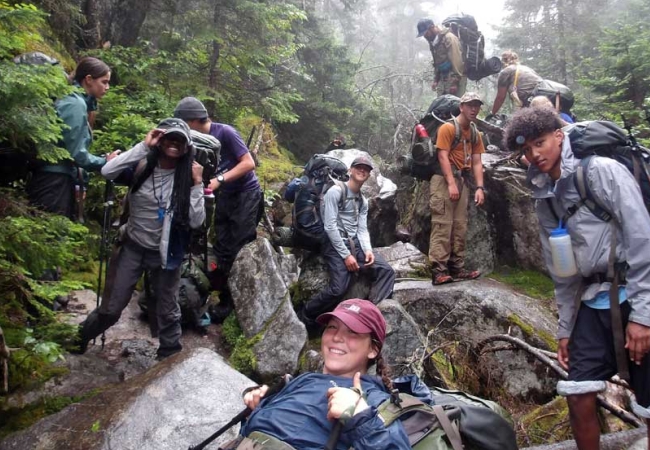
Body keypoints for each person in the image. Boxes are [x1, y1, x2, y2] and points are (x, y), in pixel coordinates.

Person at [504, 107, 650, 450]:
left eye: (540, 143)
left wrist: (642, 318)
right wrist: (565, 328)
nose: (534, 154)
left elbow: (644, 240)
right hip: (591, 303)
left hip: (637, 294)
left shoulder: (602, 171)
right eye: (526, 150)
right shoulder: (544, 196)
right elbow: (561, 270)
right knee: (579, 396)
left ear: (559, 135)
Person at [78, 118, 205, 359]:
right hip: (133, 247)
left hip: (166, 254)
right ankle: (79, 337)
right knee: (112, 307)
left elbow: (197, 220)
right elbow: (107, 171)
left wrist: (197, 183)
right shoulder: (142, 166)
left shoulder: (188, 176)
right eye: (169, 138)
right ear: (160, 139)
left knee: (167, 308)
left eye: (180, 140)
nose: (174, 144)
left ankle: (170, 356)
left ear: (187, 146)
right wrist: (143, 146)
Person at [233, 299, 411, 450]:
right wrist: (256, 410)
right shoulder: (304, 379)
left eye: (353, 332)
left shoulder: (373, 401)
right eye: (332, 327)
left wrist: (361, 418)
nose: (337, 337)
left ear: (373, 350)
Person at [173, 97, 262, 320]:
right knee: (221, 247)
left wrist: (220, 179)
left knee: (238, 249)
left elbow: (248, 163)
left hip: (245, 195)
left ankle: (232, 305)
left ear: (193, 120)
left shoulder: (225, 132)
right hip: (222, 196)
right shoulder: (193, 139)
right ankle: (220, 294)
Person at [298, 155, 395, 325]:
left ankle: (369, 312)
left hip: (355, 243)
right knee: (338, 288)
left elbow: (362, 229)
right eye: (359, 167)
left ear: (368, 175)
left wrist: (368, 250)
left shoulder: (363, 201)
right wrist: (346, 256)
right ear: (350, 170)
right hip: (333, 244)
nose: (362, 170)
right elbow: (330, 227)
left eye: (366, 169)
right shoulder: (335, 192)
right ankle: (305, 314)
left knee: (386, 271)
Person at [27, 57, 120, 219]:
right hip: (54, 182)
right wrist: (105, 162)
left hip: (54, 178)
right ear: (89, 80)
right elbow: (76, 153)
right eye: (104, 82)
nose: (107, 87)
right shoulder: (74, 104)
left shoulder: (74, 100)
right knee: (52, 233)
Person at [428, 92, 486, 285]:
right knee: (442, 225)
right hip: (444, 181)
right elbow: (442, 156)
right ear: (461, 106)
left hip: (463, 181)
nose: (474, 109)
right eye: (470, 105)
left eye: (477, 105)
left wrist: (479, 187)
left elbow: (477, 162)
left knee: (460, 225)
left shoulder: (475, 132)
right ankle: (438, 271)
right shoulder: (447, 128)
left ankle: (457, 268)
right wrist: (451, 182)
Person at [416, 18, 466, 96]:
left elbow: (457, 60)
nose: (425, 36)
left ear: (432, 27)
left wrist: (455, 83)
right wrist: (436, 79)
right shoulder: (434, 41)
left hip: (456, 78)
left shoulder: (449, 38)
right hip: (444, 78)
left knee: (455, 105)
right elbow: (437, 62)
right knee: (441, 104)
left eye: (426, 33)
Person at [490, 51, 542, 116]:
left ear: (503, 61)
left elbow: (500, 97)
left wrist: (492, 113)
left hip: (530, 102)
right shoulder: (528, 69)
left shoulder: (505, 72)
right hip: (543, 99)